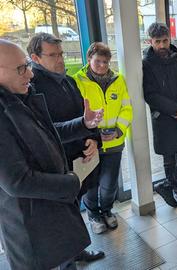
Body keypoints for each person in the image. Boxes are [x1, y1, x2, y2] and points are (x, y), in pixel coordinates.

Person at [0, 39, 103, 269]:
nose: (30, 74)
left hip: (54, 213)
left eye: (26, 65)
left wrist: (83, 123)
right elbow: (17, 181)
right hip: (34, 230)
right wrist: (71, 183)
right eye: (21, 68)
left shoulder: (20, 97)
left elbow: (47, 132)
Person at [27, 32, 105, 263]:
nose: (60, 59)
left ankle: (76, 252)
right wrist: (84, 126)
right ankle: (67, 260)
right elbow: (45, 131)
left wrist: (93, 138)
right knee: (60, 217)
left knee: (73, 208)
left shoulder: (68, 81)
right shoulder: (31, 88)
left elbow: (84, 116)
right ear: (35, 57)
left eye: (61, 54)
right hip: (54, 164)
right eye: (53, 55)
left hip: (77, 158)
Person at [73, 42, 133, 234]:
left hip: (114, 143)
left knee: (109, 183)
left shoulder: (119, 80)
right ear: (89, 58)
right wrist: (90, 136)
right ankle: (93, 215)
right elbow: (75, 115)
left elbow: (127, 108)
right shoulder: (77, 81)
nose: (102, 66)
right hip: (90, 144)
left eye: (106, 62)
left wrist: (118, 130)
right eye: (97, 61)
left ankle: (107, 210)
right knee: (91, 184)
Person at [143, 23, 177, 208]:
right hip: (164, 117)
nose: (161, 45)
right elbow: (150, 94)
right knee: (169, 156)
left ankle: (167, 185)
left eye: (165, 40)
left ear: (170, 39)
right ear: (150, 41)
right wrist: (174, 109)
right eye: (157, 41)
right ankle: (176, 188)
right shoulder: (146, 64)